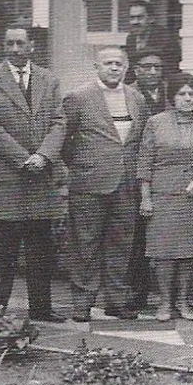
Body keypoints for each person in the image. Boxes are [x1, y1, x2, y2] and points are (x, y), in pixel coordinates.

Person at [0, 22, 66, 322]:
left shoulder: (49, 80)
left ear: (32, 46)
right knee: (4, 252)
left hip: (41, 177)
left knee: (41, 250)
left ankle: (41, 309)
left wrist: (44, 155)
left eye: (20, 43)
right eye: (9, 43)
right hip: (7, 178)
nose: (14, 49)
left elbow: (59, 122)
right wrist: (23, 158)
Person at [63, 46, 150, 322]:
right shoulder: (78, 97)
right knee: (85, 244)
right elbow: (64, 139)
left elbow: (141, 141)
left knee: (121, 244)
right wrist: (84, 166)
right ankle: (82, 303)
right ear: (96, 67)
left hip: (126, 186)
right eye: (108, 63)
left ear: (126, 68)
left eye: (119, 63)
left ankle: (117, 301)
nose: (114, 68)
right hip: (89, 184)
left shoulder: (137, 99)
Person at [138, 72, 193, 322]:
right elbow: (144, 162)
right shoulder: (156, 123)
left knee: (188, 253)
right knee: (163, 253)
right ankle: (164, 302)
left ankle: (183, 301)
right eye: (182, 94)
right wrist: (145, 197)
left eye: (191, 94)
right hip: (163, 196)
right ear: (172, 97)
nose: (187, 98)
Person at [128, 48, 169, 311]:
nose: (152, 72)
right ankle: (137, 293)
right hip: (137, 172)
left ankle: (172, 294)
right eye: (146, 67)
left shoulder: (173, 93)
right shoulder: (127, 94)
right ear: (136, 70)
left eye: (157, 67)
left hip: (167, 173)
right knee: (137, 237)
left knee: (168, 233)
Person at [124, 0, 181, 78]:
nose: (135, 22)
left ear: (151, 19)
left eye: (140, 17)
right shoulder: (131, 38)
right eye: (132, 18)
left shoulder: (165, 37)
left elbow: (171, 70)